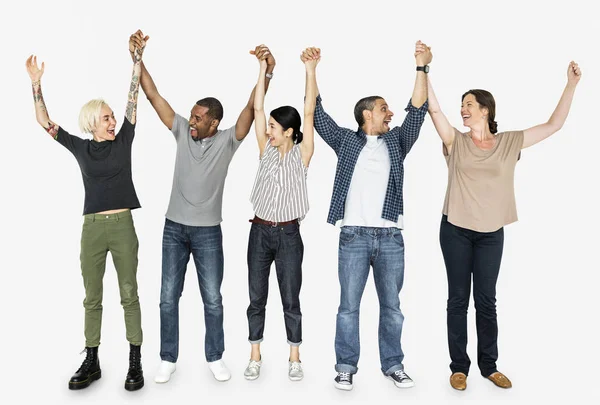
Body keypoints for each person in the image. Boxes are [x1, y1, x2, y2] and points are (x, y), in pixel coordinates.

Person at [421, 40, 582, 390]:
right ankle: (458, 367)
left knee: (486, 301)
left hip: (491, 233)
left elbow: (553, 125)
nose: (462, 110)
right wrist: (423, 68)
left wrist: (570, 86)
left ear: (485, 110)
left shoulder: (509, 142)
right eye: (461, 105)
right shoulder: (455, 142)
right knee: (457, 299)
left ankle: (489, 365)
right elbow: (434, 112)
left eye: (469, 105)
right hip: (455, 230)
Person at [128, 30, 276, 383]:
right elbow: (152, 94)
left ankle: (215, 356)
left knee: (212, 298)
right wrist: (137, 58)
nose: (191, 121)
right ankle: (168, 358)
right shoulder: (181, 130)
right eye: (191, 116)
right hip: (173, 228)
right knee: (167, 297)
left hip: (208, 231)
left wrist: (267, 72)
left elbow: (249, 109)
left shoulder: (228, 141)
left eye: (198, 118)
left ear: (214, 122)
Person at [26, 40, 147, 391]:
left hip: (122, 227)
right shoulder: (79, 146)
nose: (114, 121)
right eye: (107, 118)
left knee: (129, 294)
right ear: (94, 122)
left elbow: (133, 97)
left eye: (113, 117)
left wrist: (136, 61)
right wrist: (36, 82)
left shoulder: (124, 139)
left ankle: (134, 360)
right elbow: (43, 120)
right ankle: (92, 359)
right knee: (91, 297)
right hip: (92, 229)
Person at [310, 42, 431, 391]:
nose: (389, 113)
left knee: (392, 307)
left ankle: (393, 364)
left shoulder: (397, 142)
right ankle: (346, 366)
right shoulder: (346, 141)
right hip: (354, 236)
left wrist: (421, 67)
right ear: (366, 115)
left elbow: (418, 111)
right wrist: (312, 71)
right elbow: (317, 115)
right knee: (348, 307)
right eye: (383, 109)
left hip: (391, 236)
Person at [243, 47, 318, 382]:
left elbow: (309, 110)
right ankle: (255, 354)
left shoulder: (302, 154)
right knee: (256, 298)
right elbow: (258, 106)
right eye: (269, 126)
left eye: (274, 127)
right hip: (259, 232)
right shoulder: (265, 150)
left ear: (288, 131)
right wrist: (262, 68)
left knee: (291, 298)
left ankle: (294, 356)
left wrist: (310, 70)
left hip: (288, 235)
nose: (269, 130)